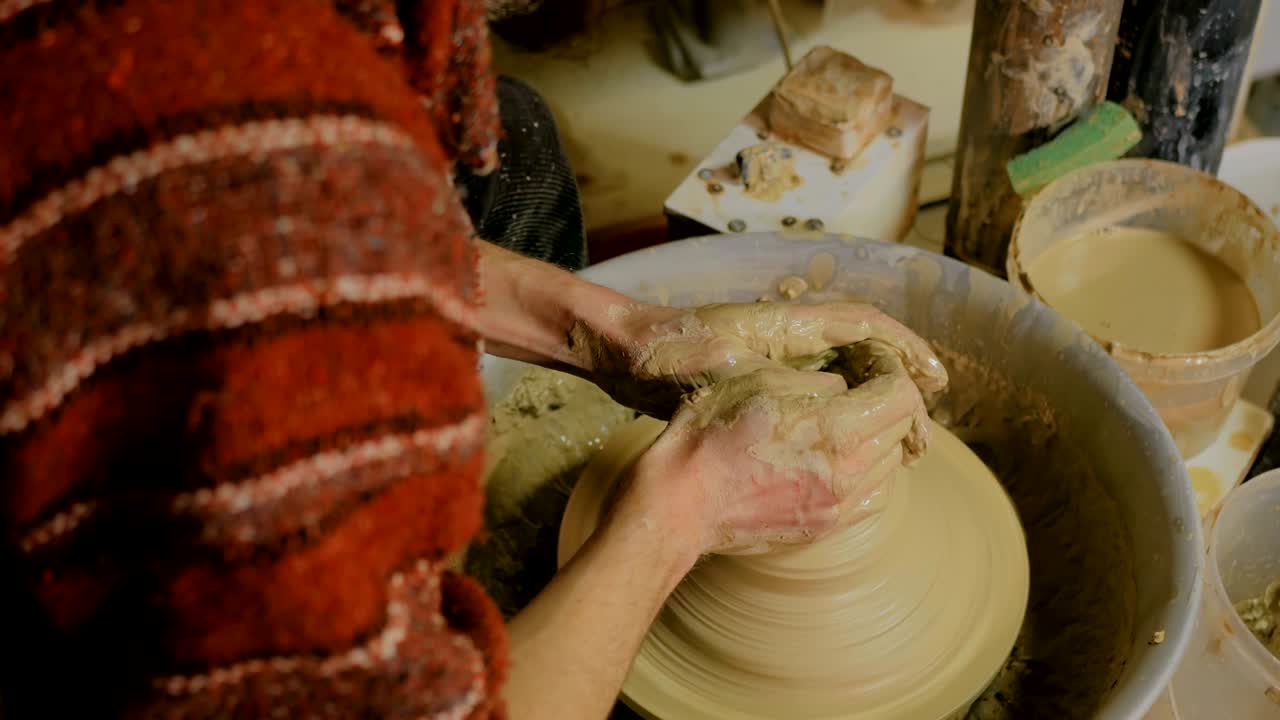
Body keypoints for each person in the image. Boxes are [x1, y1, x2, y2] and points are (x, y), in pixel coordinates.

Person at [0, 1, 946, 718]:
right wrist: (687, 508)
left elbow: (333, 230)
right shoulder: (274, 181)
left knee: (513, 143)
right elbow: (292, 225)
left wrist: (614, 329)